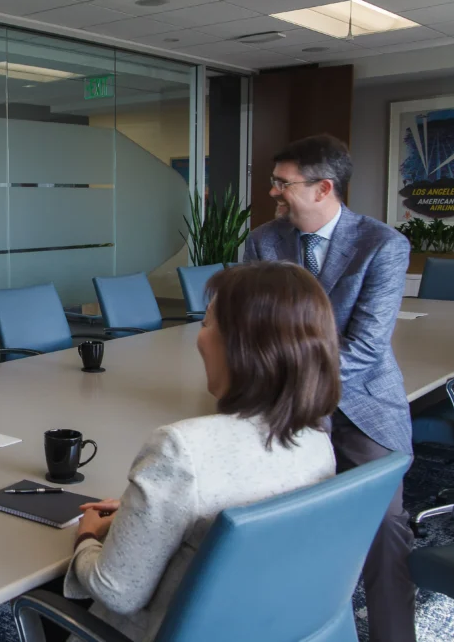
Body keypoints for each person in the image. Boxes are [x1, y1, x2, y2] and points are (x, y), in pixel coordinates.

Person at [62, 262, 338, 642]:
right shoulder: (317, 443)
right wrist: (136, 518)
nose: (198, 338)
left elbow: (116, 591)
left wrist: (88, 536)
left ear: (241, 344)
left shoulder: (181, 449)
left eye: (206, 324)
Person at [243, 134, 414, 642]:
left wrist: (295, 379)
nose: (273, 192)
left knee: (384, 528)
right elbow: (253, 328)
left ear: (323, 188)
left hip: (364, 403)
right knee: (278, 526)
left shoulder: (382, 244)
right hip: (286, 405)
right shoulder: (264, 242)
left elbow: (365, 346)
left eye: (282, 183)